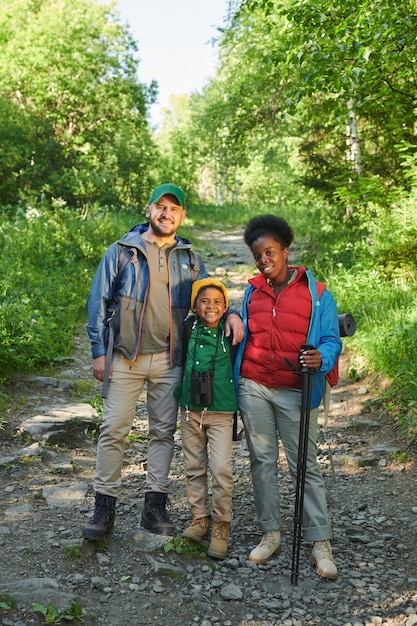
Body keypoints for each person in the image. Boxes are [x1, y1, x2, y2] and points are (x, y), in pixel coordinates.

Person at [82, 183, 243, 540]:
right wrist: (97, 351)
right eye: (161, 207)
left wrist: (231, 312)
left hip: (170, 359)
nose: (166, 213)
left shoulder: (189, 258)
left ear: (182, 216)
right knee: (113, 430)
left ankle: (154, 507)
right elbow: (98, 301)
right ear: (149, 210)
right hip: (125, 356)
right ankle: (103, 507)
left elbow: (209, 296)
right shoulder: (122, 251)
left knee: (162, 433)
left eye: (174, 209)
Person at [234, 214, 342, 579]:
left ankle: (319, 542)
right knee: (261, 461)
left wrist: (321, 358)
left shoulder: (317, 293)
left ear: (285, 250)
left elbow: (331, 340)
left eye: (269, 252)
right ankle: (271, 534)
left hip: (298, 388)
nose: (263, 260)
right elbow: (244, 332)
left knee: (304, 466)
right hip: (254, 385)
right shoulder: (252, 291)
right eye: (257, 256)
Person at [174, 278, 238, 559]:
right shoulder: (188, 327)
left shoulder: (230, 331)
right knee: (193, 466)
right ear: (195, 306)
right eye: (204, 301)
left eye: (217, 302)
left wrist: (235, 313)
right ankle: (199, 517)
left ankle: (222, 524)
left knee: (221, 469)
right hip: (190, 410)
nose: (210, 306)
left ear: (225, 307)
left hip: (222, 411)